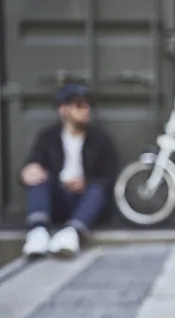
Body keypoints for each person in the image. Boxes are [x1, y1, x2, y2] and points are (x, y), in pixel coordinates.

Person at [19, 83, 118, 257]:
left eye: (87, 105)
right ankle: (38, 233)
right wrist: (27, 172)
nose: (86, 110)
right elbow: (32, 165)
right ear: (63, 110)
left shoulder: (100, 138)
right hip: (57, 196)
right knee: (38, 176)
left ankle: (71, 233)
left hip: (84, 200)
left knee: (97, 190)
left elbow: (110, 176)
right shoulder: (48, 137)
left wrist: (85, 182)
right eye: (79, 105)